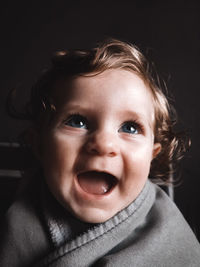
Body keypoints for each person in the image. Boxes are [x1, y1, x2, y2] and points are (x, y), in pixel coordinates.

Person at [0, 38, 199, 267]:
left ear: (150, 157)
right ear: (39, 145)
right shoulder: (18, 215)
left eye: (130, 128)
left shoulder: (170, 238)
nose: (104, 144)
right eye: (77, 121)